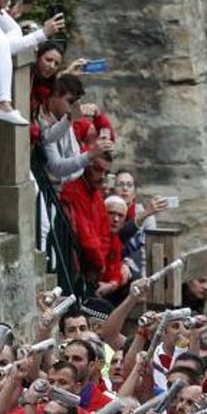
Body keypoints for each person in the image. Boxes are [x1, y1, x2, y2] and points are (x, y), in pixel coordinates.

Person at [59, 154, 124, 291]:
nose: (102, 176)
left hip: (94, 267)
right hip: (81, 266)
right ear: (87, 166)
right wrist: (99, 263)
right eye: (98, 170)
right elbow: (84, 234)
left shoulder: (97, 197)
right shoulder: (73, 191)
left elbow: (104, 233)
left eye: (106, 173)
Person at [37, 74, 114, 188]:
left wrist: (63, 178)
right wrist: (90, 155)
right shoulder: (42, 119)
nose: (73, 107)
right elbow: (56, 167)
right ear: (56, 95)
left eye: (76, 102)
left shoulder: (66, 118)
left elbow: (74, 163)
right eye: (70, 101)